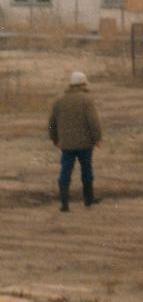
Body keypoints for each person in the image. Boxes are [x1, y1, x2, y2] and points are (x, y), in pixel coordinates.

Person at [48, 71, 103, 212]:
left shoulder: (59, 101)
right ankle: (88, 200)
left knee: (65, 171)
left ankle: (64, 202)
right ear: (83, 84)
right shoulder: (86, 100)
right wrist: (97, 138)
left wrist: (54, 138)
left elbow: (51, 123)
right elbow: (93, 122)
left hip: (66, 144)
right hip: (85, 144)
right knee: (86, 171)